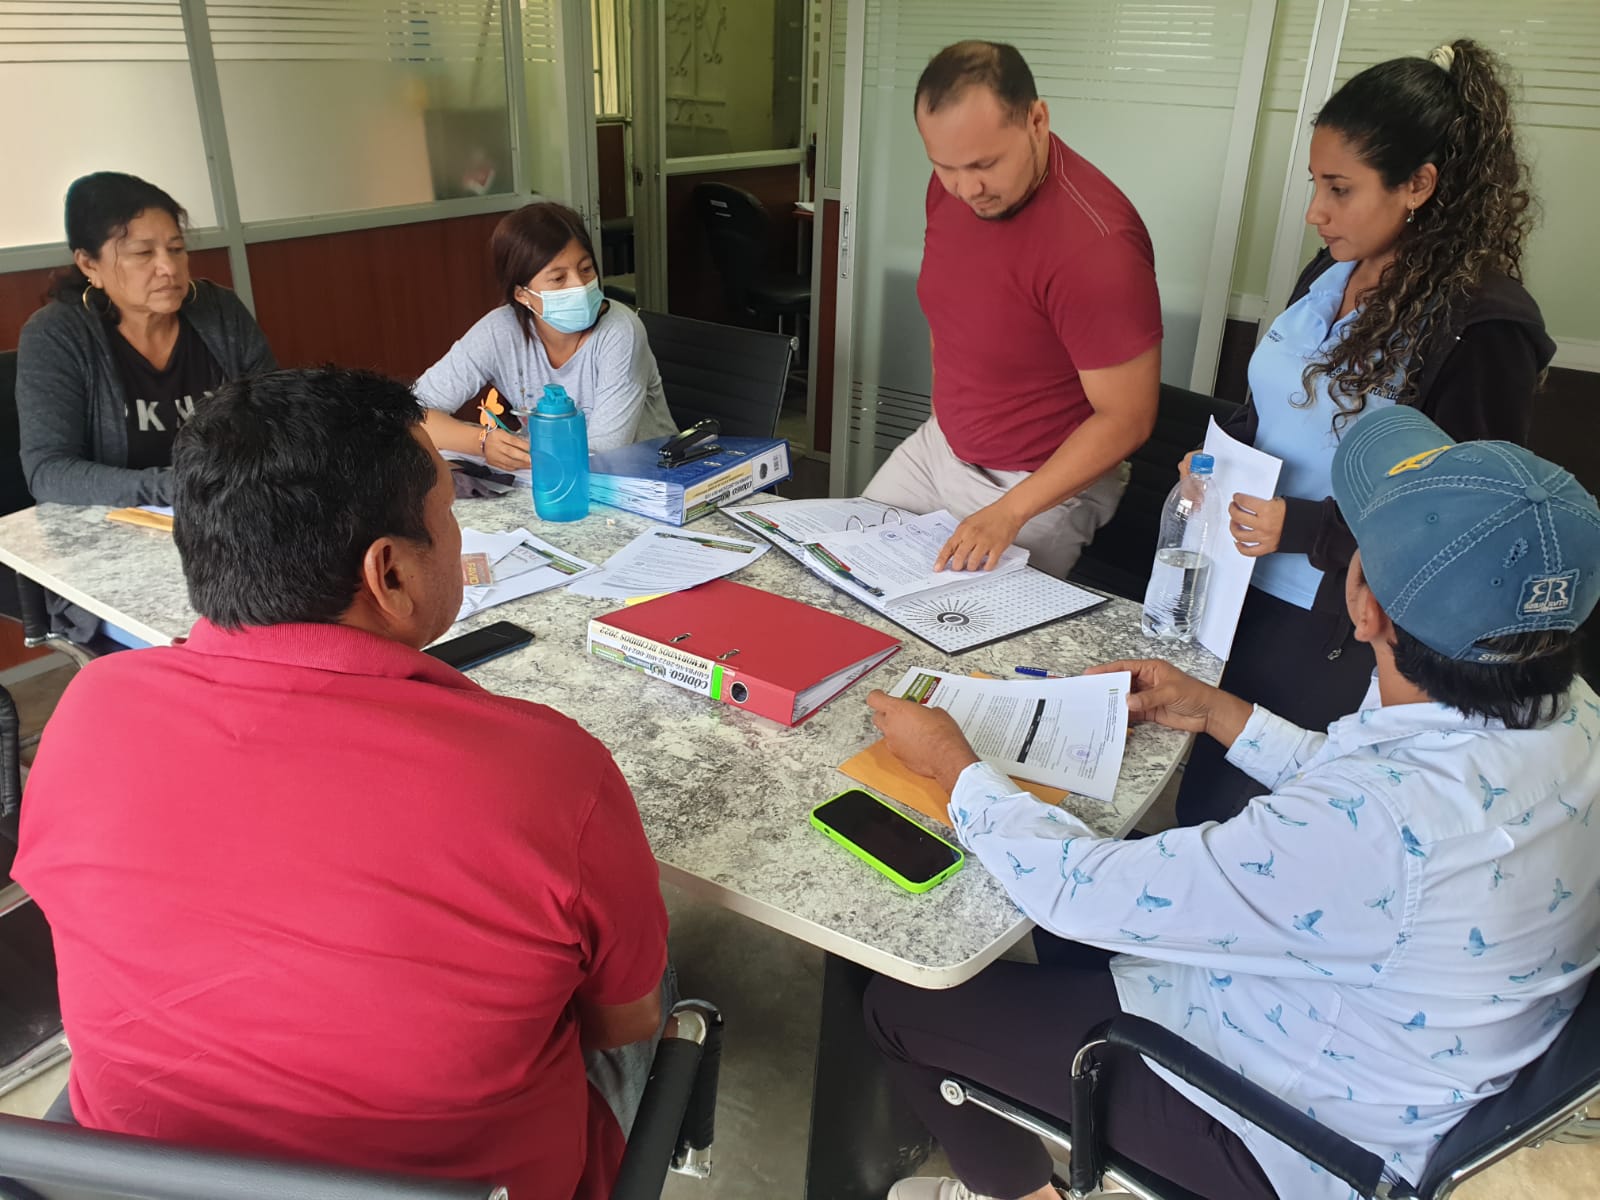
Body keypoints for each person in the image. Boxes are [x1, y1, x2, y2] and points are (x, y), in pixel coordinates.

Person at [862, 406, 1600, 1200]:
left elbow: (1078, 894)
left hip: (1283, 1127)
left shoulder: (1377, 830)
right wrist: (1220, 713)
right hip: (1388, 1049)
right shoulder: (1573, 717)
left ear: (1365, 605)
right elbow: (1372, 791)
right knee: (1028, 900)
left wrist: (954, 766)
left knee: (900, 1005)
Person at [13, 367, 670, 1199]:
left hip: (139, 1179)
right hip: (481, 1182)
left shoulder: (88, 713)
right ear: (388, 574)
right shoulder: (549, 775)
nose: (458, 542)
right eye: (451, 516)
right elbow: (621, 1022)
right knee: (653, 981)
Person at [1177, 39, 1555, 825]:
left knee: (1273, 822)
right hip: (1238, 588)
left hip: (1337, 624)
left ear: (1419, 184)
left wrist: (1301, 528)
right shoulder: (1331, 270)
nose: (1315, 211)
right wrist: (1213, 459)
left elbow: (1464, 522)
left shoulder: (1484, 325)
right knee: (1202, 797)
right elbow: (1271, 404)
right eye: (1316, 184)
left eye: (1339, 189)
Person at [861, 41, 1162, 579]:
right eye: (945, 166)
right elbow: (952, 308)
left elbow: (1129, 418)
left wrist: (1008, 513)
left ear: (1036, 120)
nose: (966, 188)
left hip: (1034, 483)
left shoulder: (1098, 247)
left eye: (985, 164)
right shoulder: (954, 188)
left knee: (947, 620)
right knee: (842, 575)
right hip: (940, 446)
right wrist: (954, 415)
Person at [17, 171, 276, 507]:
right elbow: (48, 472)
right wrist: (174, 487)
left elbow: (277, 418)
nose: (169, 267)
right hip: (115, 526)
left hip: (230, 509)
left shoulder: (220, 311)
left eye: (176, 248)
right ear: (89, 265)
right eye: (143, 253)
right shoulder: (56, 334)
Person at [414, 201, 676, 469]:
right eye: (558, 278)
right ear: (522, 294)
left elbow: (600, 454)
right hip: (544, 477)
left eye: (586, 269)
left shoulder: (621, 331)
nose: (579, 285)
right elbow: (409, 414)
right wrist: (481, 442)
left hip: (645, 477)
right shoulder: (499, 330)